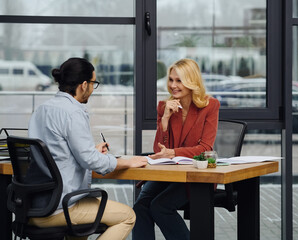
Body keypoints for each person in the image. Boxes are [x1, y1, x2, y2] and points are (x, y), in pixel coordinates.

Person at [28, 57, 148, 240]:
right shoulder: (73, 112)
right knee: (128, 216)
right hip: (61, 207)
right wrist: (126, 162)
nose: (93, 89)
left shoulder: (41, 109)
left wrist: (91, 150)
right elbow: (90, 161)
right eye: (93, 83)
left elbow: (56, 152)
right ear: (84, 85)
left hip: (32, 205)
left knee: (81, 232)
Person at [133, 58, 220, 240]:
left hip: (195, 176)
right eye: (171, 80)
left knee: (160, 207)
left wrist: (173, 153)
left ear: (191, 81)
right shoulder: (165, 107)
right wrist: (164, 119)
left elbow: (205, 149)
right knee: (140, 207)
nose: (173, 85)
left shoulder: (209, 106)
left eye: (179, 80)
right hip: (169, 173)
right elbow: (159, 149)